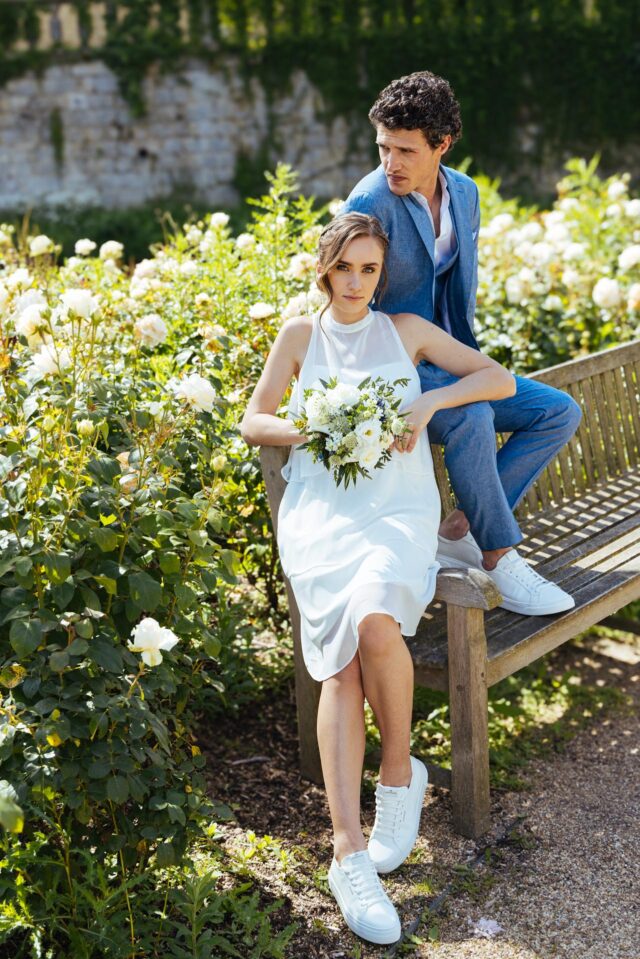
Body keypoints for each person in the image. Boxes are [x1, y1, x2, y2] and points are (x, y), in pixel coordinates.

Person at [241, 212, 515, 945]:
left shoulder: (408, 331)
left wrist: (429, 400)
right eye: (344, 268)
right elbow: (253, 420)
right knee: (340, 665)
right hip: (323, 516)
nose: (356, 281)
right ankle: (346, 851)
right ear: (324, 268)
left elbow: (498, 376)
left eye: (368, 268)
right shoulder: (301, 334)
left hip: (396, 510)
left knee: (371, 618)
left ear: (380, 272)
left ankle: (399, 777)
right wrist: (315, 424)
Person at [342, 71, 582, 616]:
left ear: (442, 144)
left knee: (557, 412)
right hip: (395, 363)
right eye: (383, 146)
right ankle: (500, 557)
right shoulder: (369, 198)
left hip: (450, 356)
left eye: (405, 150)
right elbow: (345, 288)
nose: (391, 162)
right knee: (471, 418)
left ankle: (459, 529)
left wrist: (458, 361)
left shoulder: (465, 194)